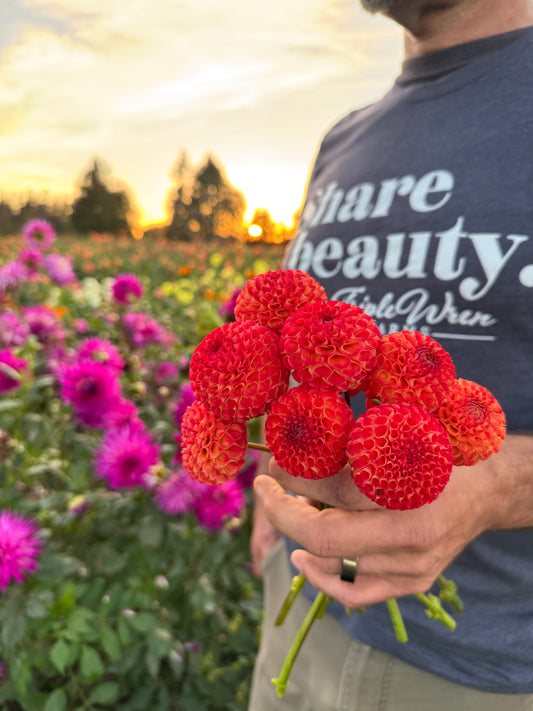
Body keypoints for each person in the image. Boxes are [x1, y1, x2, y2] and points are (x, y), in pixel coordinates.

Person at [247, 1, 533, 709]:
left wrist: (499, 485)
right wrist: (270, 492)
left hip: (484, 669)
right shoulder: (343, 138)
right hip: (300, 622)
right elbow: (298, 348)